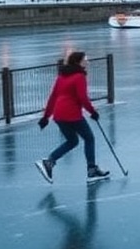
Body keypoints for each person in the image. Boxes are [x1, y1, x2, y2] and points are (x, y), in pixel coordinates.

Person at [34, 51, 110, 183]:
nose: (87, 62)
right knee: (89, 138)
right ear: (78, 62)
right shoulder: (79, 76)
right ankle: (91, 170)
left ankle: (49, 161)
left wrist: (46, 117)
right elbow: (82, 98)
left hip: (59, 115)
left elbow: (53, 97)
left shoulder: (61, 76)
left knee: (72, 141)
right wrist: (93, 112)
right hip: (72, 114)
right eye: (85, 59)